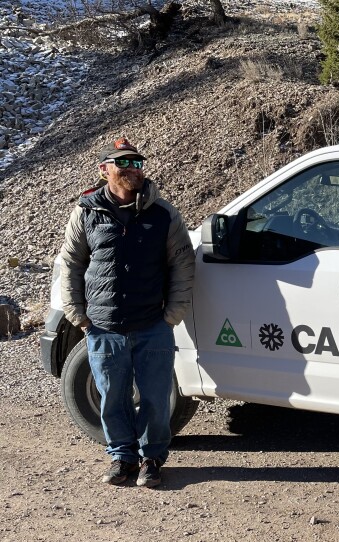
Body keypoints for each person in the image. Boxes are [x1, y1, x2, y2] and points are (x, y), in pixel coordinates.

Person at [59, 137, 195, 487]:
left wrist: (173, 314)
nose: (133, 169)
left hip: (153, 324)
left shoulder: (164, 213)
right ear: (104, 170)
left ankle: (152, 459)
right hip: (103, 327)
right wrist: (78, 316)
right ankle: (122, 457)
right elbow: (71, 264)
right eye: (124, 163)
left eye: (137, 163)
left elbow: (182, 263)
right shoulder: (86, 212)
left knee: (155, 399)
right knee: (112, 397)